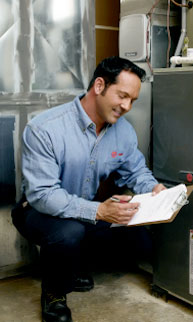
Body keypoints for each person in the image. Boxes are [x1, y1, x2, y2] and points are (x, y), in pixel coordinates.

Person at [11, 56, 165, 322]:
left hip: (85, 209)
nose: (127, 106)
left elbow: (137, 172)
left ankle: (71, 265)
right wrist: (100, 211)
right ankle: (54, 294)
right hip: (37, 211)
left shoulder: (123, 132)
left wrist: (155, 189)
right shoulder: (45, 128)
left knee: (138, 238)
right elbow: (43, 195)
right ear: (99, 85)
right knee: (69, 232)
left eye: (133, 100)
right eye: (122, 96)